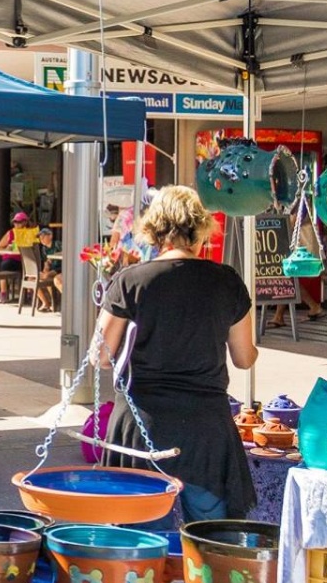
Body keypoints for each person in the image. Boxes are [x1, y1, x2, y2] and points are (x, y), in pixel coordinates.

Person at [94, 186, 259, 525]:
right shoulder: (226, 281)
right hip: (205, 428)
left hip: (142, 424)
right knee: (211, 537)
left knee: (143, 538)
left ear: (154, 230)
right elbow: (244, 358)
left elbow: (100, 355)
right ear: (201, 229)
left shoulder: (129, 281)